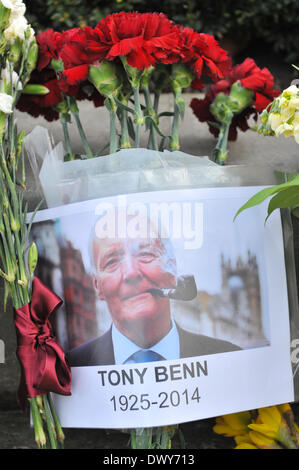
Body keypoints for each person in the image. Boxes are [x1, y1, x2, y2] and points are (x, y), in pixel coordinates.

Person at [67, 207, 241, 366]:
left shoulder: (230, 359)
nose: (131, 273)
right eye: (112, 261)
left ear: (172, 269)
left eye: (145, 253)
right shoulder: (70, 369)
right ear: (97, 285)